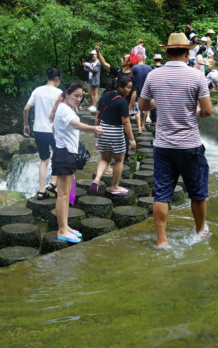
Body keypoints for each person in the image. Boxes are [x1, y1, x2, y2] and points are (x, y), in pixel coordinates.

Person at [138, 34, 213, 248]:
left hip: (163, 145)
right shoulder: (197, 76)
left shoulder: (154, 75)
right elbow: (207, 111)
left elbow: (143, 107)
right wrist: (196, 112)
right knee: (197, 193)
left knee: (162, 194)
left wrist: (159, 101)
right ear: (187, 54)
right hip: (190, 145)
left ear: (167, 53)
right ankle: (200, 232)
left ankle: (162, 239)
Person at [49, 82, 104, 243]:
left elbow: (55, 128)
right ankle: (61, 230)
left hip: (67, 153)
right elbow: (75, 124)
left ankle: (65, 227)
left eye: (81, 96)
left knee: (65, 195)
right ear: (67, 94)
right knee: (62, 195)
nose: (79, 99)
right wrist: (93, 128)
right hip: (64, 155)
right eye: (76, 95)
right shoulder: (65, 109)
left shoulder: (67, 108)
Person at [89, 77, 136, 196]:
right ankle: (115, 186)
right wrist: (132, 139)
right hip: (116, 133)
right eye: (128, 87)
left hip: (103, 131)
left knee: (104, 159)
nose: (130, 90)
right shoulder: (122, 101)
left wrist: (96, 128)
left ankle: (97, 179)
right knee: (119, 160)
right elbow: (126, 122)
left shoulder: (105, 96)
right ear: (120, 88)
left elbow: (98, 115)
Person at [23, 68, 63, 200]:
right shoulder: (59, 93)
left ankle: (41, 191)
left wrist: (26, 125)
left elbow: (26, 109)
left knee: (44, 160)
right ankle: (53, 184)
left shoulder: (37, 91)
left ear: (47, 78)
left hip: (38, 130)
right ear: (57, 79)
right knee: (58, 157)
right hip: (53, 130)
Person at [128, 56, 153, 134]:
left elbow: (130, 78)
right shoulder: (149, 68)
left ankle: (139, 127)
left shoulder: (134, 67)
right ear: (144, 60)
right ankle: (143, 125)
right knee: (144, 108)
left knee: (137, 109)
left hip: (137, 90)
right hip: (146, 90)